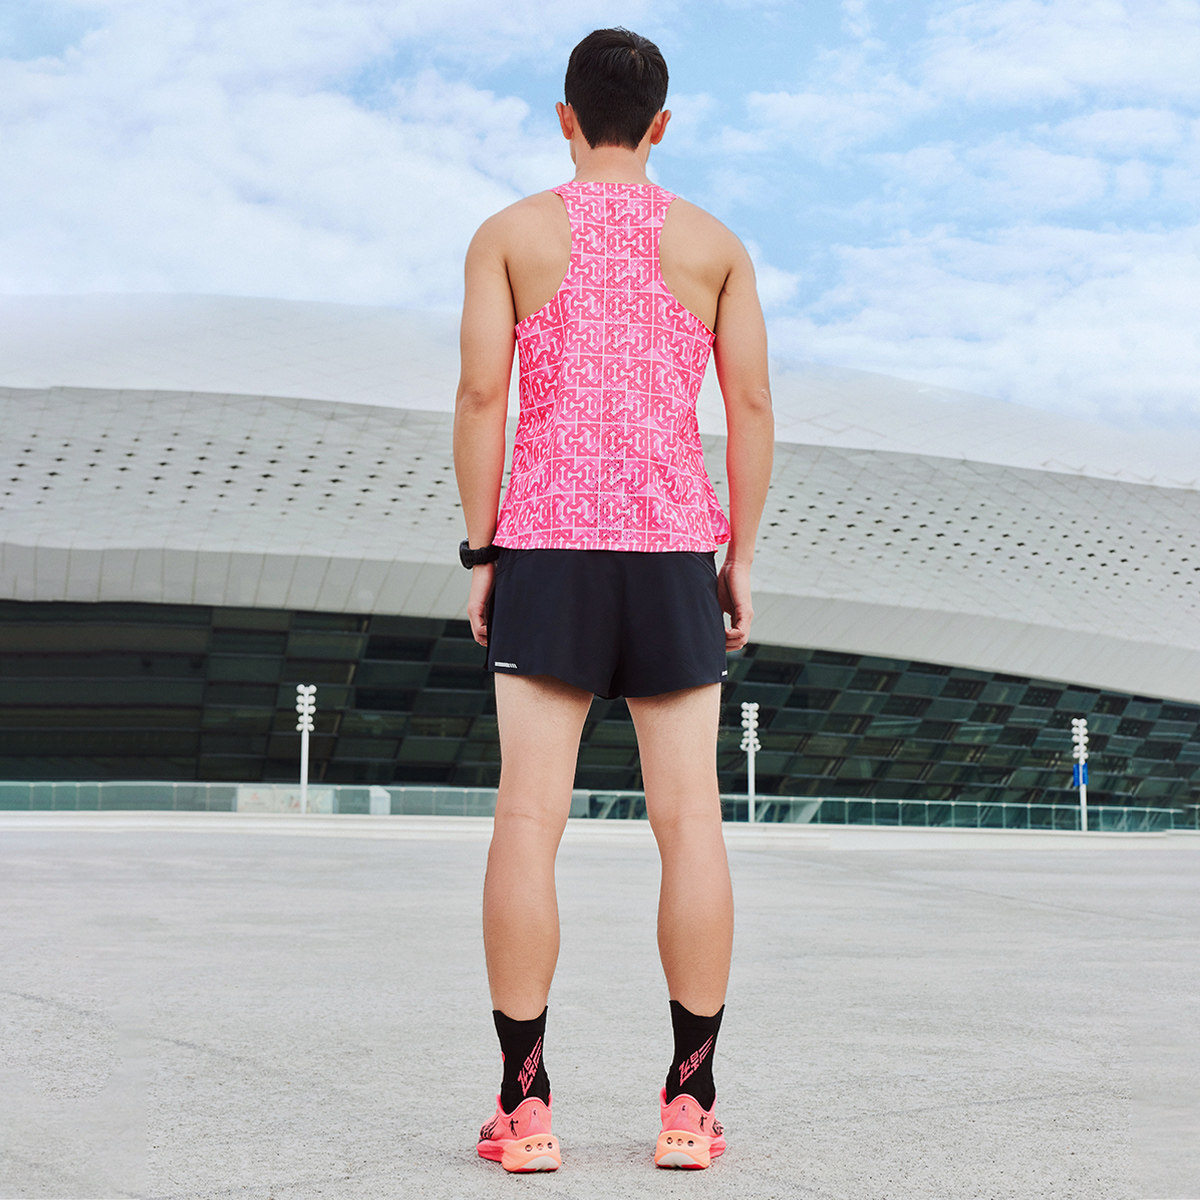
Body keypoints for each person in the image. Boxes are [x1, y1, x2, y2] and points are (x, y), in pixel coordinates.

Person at [453, 26, 773, 1172]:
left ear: (565, 118)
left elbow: (483, 394)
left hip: (547, 547)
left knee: (527, 822)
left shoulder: (510, 236)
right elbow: (752, 409)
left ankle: (525, 1109)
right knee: (690, 824)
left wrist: (482, 553)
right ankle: (690, 1106)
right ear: (662, 125)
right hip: (674, 551)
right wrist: (738, 556)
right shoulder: (716, 247)